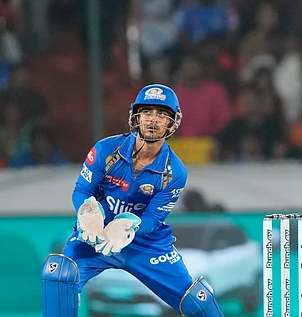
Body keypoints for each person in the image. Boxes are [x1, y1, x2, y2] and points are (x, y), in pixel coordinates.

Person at [40, 84, 224, 317]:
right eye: (147, 112)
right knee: (59, 274)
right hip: (97, 234)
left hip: (146, 244)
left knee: (198, 301)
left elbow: (153, 219)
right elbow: (81, 190)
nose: (153, 120)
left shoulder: (175, 172)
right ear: (136, 116)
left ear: (173, 122)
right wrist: (87, 211)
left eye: (162, 115)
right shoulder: (106, 150)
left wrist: (130, 225)